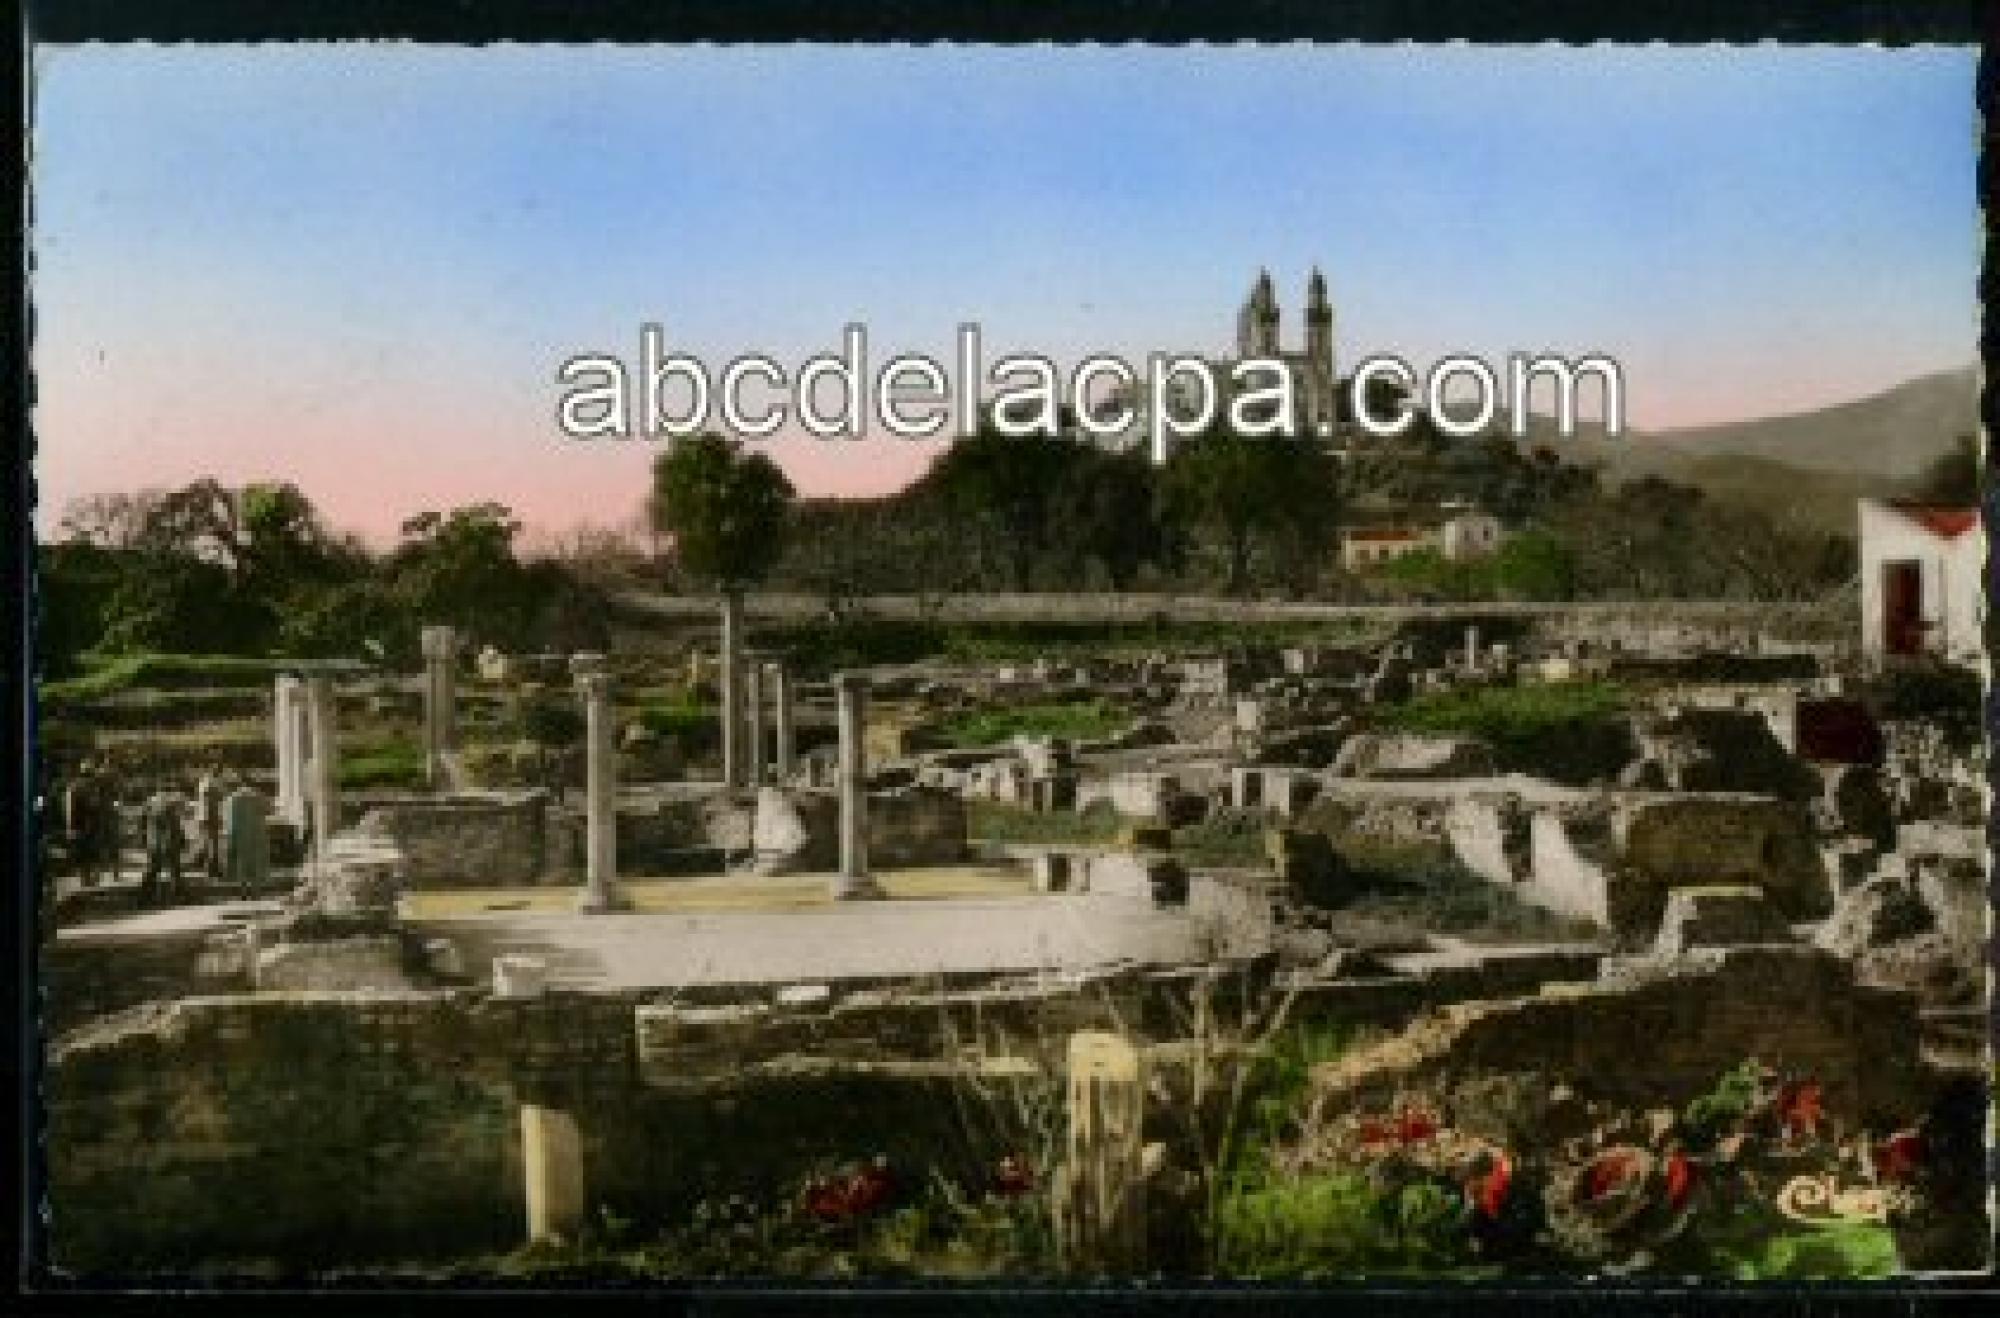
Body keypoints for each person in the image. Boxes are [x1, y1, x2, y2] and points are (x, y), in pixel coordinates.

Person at [139, 781, 188, 906]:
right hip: (168, 840)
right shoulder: (170, 803)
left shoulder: (150, 802)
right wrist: (181, 838)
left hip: (154, 841)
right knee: (174, 869)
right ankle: (178, 895)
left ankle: (146, 896)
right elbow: (173, 824)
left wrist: (145, 839)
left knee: (154, 869)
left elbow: (144, 823)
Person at [221, 780, 271, 894]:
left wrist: (230, 837)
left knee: (242, 862)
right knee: (256, 862)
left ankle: (243, 887)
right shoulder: (258, 797)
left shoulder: (232, 799)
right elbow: (266, 811)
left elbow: (230, 821)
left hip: (240, 834)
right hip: (256, 833)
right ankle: (255, 888)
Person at [195, 762, 229, 882]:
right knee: (211, 843)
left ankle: (212, 868)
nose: (219, 772)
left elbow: (219, 797)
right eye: (217, 770)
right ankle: (211, 869)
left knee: (213, 843)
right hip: (209, 815)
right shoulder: (208, 782)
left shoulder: (211, 782)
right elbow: (212, 797)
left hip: (211, 815)